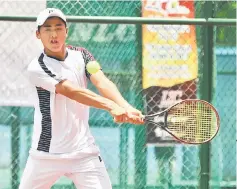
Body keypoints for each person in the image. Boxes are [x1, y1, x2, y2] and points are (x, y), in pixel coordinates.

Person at [19, 8, 144, 189]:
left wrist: (126, 106)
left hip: (83, 153)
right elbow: (73, 91)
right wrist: (111, 106)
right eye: (47, 29)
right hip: (46, 154)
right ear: (38, 34)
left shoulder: (82, 55)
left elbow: (102, 82)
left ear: (67, 31)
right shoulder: (37, 67)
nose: (54, 34)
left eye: (58, 28)